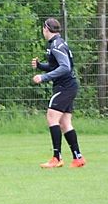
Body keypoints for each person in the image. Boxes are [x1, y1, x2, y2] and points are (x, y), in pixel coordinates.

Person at [32, 17, 85, 168]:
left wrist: (44, 77)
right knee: (65, 122)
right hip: (69, 86)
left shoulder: (56, 45)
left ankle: (57, 158)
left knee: (52, 117)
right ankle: (78, 158)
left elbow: (65, 67)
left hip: (64, 87)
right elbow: (56, 66)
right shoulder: (57, 43)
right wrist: (41, 66)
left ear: (45, 29)